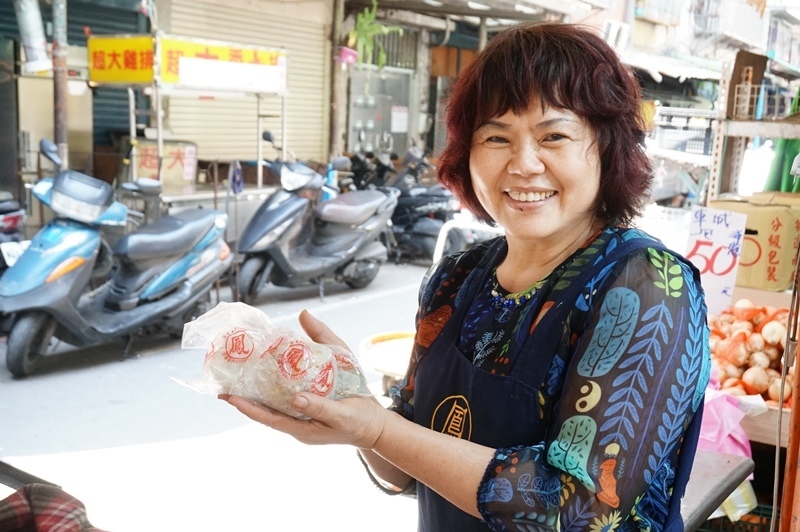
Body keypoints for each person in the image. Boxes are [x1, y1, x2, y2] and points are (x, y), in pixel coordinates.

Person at [221, 21, 710, 531]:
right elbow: (407, 471)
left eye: (554, 136)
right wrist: (349, 404)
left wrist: (378, 429)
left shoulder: (648, 286)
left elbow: (579, 511)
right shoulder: (456, 280)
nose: (523, 164)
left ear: (607, 148)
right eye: (497, 137)